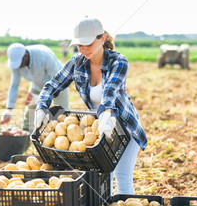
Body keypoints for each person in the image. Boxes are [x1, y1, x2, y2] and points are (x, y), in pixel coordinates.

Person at [34, 17, 147, 195]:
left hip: (124, 125)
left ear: (102, 39)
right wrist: (41, 106)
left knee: (122, 176)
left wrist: (107, 111)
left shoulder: (118, 61)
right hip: (97, 128)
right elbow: (53, 85)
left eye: (88, 44)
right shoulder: (76, 63)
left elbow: (111, 90)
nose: (83, 50)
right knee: (103, 177)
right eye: (79, 45)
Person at [0, 43, 70, 134]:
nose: (18, 67)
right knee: (30, 115)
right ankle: (25, 142)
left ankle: (62, 144)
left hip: (59, 84)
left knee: (62, 115)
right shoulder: (16, 63)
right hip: (36, 84)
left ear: (25, 56)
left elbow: (57, 81)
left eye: (19, 63)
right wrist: (9, 109)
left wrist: (40, 99)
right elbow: (14, 86)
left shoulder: (44, 56)